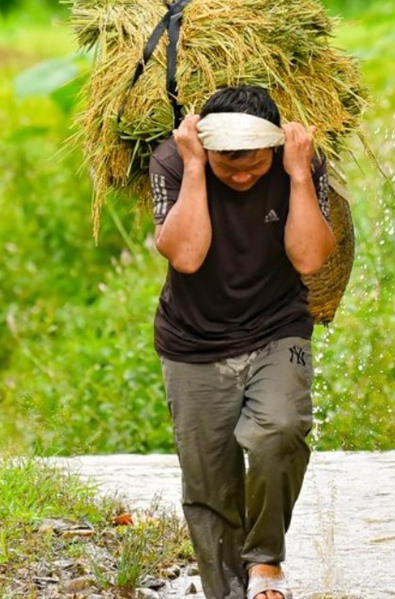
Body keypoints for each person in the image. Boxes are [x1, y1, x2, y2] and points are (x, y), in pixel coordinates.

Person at [149, 85, 336, 599]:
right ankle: (229, 592)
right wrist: (193, 168)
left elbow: (310, 258)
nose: (240, 175)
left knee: (280, 430)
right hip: (193, 340)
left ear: (273, 148)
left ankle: (265, 564)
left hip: (277, 328)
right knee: (211, 488)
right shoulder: (171, 160)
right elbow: (185, 255)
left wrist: (298, 175)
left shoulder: (299, 163)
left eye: (252, 164)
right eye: (226, 164)